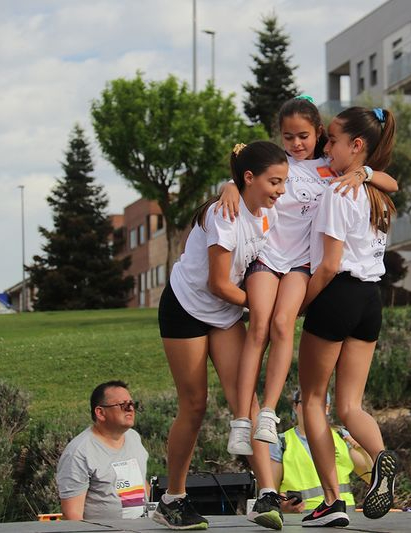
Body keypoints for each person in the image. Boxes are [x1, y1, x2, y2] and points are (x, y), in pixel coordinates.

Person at [219, 96, 398, 460]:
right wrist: (230, 185)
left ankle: (267, 412)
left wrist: (364, 172)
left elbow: (389, 182)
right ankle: (242, 418)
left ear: (319, 134)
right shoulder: (282, 164)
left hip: (303, 267)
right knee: (259, 327)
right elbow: (247, 177)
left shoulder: (333, 169)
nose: (297, 144)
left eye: (304, 136)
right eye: (288, 137)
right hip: (269, 260)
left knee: (284, 326)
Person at [153, 141, 288, 531]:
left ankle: (266, 495)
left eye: (284, 182)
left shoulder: (267, 215)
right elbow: (216, 283)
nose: (281, 190)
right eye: (274, 182)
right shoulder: (224, 214)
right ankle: (172, 500)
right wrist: (261, 309)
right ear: (249, 178)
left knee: (246, 400)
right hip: (187, 308)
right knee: (194, 405)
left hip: (227, 314)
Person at [297, 106, 399, 528]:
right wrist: (366, 173)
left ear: (356, 146)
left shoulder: (339, 193)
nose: (325, 147)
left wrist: (297, 307)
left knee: (313, 403)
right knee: (350, 404)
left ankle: (332, 500)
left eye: (332, 141)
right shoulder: (379, 193)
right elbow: (387, 178)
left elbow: (327, 265)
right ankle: (380, 458)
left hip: (336, 295)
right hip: (370, 302)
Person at [269, 390, 373, 514]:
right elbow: (271, 493)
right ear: (295, 407)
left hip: (342, 521)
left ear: (327, 408)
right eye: (305, 402)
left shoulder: (342, 438)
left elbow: (372, 478)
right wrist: (282, 507)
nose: (310, 408)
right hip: (301, 522)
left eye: (319, 403)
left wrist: (365, 450)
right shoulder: (281, 442)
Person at [56, 380, 149, 520]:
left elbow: (141, 482)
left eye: (132, 404)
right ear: (100, 413)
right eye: (123, 405)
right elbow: (73, 516)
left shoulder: (134, 437)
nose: (130, 409)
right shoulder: (78, 453)